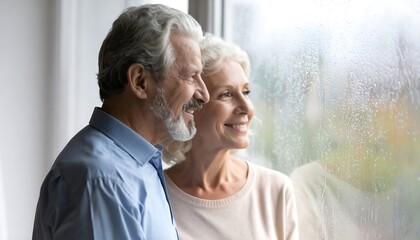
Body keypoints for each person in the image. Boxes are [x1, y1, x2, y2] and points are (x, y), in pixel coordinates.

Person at [33, 4, 209, 240]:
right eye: (190, 76)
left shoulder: (134, 167)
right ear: (140, 81)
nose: (204, 94)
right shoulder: (102, 180)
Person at [163, 34, 299, 240]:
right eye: (226, 94)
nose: (247, 108)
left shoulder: (275, 190)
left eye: (246, 92)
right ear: (190, 107)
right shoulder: (156, 192)